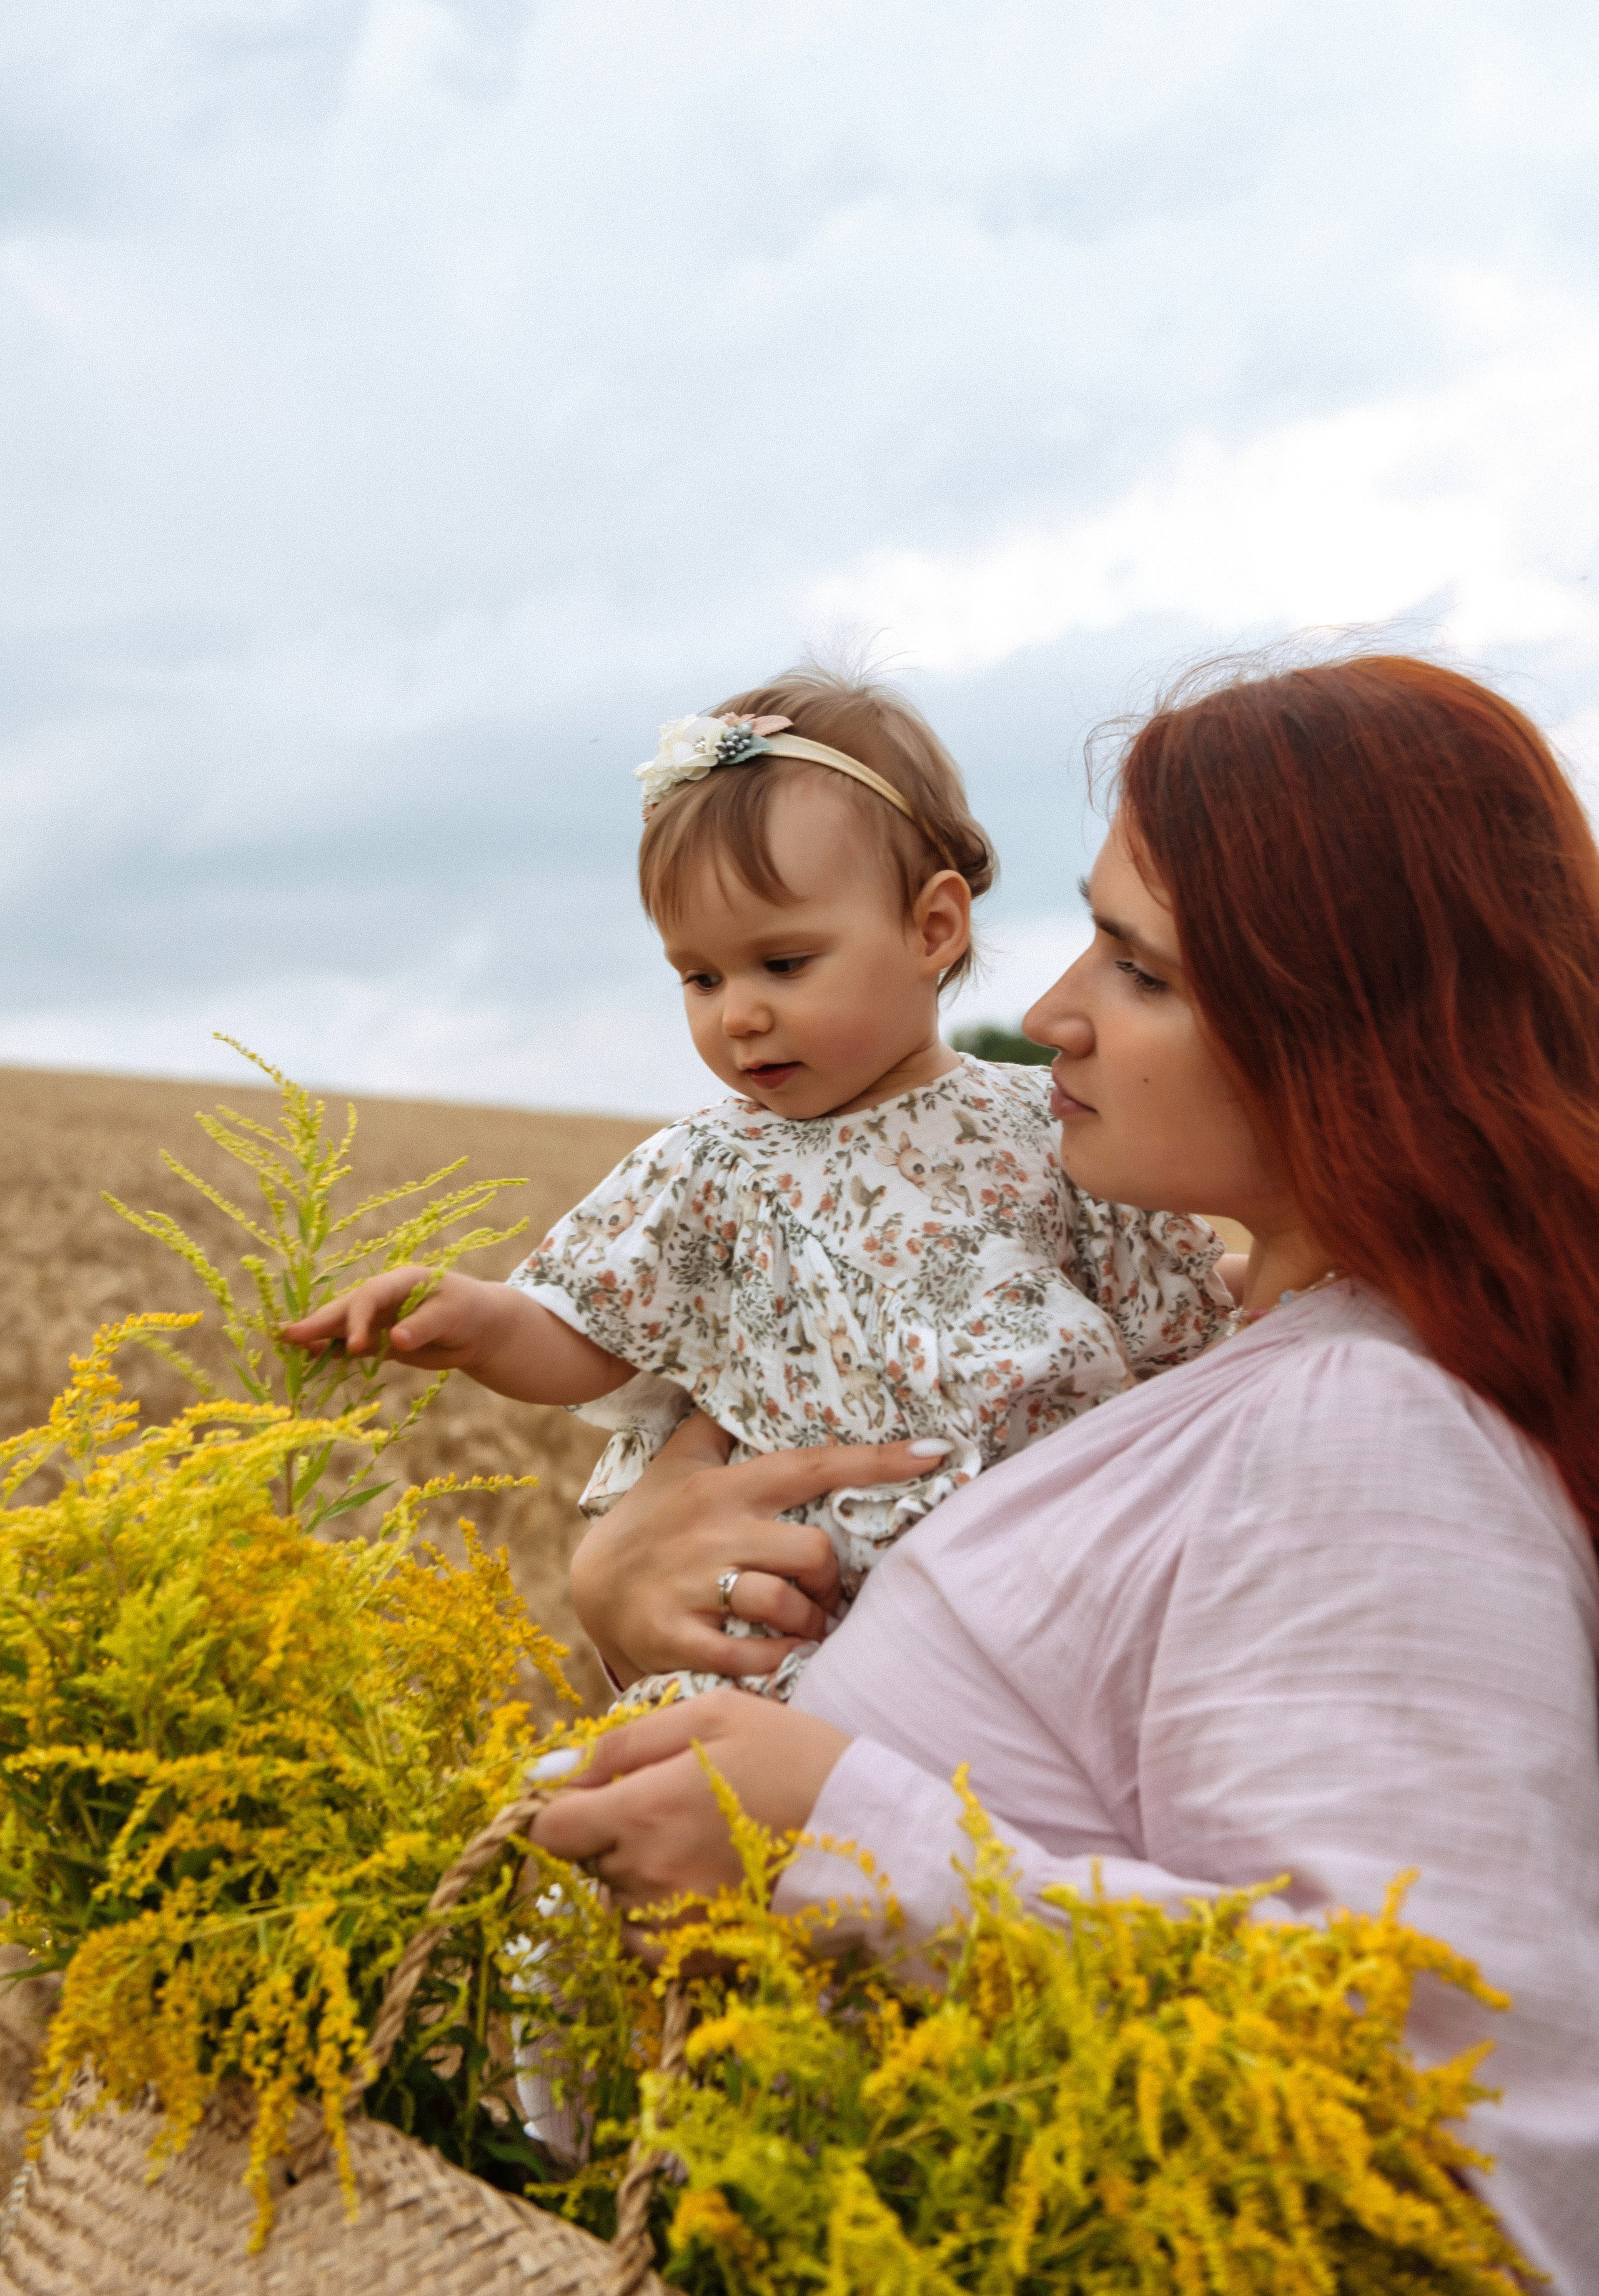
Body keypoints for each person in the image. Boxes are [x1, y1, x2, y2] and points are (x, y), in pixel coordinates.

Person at [535, 656, 1599, 2286]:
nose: (1049, 1016)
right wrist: (632, 1596)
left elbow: (1462, 2134)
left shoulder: (1365, 1431)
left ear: (1354, 1033)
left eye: (1141, 967)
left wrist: (840, 1831)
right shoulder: (1217, 1372)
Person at [284, 668, 1231, 1701]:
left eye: (783, 964)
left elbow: (1177, 1322)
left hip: (1059, 1591)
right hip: (800, 1621)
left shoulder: (1046, 1122)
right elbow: (593, 1333)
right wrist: (477, 1323)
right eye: (701, 976)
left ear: (932, 930)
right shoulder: (708, 1166)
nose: (737, 1014)